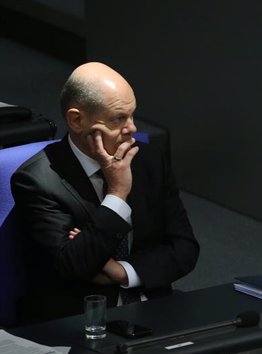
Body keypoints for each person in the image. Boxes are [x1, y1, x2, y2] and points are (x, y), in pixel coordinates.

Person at [11, 62, 199, 324]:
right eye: (118, 119)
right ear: (77, 120)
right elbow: (73, 266)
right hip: (78, 323)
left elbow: (184, 247)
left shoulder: (147, 160)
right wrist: (117, 194)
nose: (132, 128)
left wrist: (122, 272)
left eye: (132, 115)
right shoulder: (37, 181)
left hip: (152, 309)